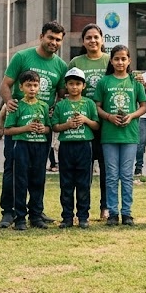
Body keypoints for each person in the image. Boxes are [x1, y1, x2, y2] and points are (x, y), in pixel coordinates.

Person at [0, 21, 67, 228]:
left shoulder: (61, 66)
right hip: (19, 125)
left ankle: (36, 211)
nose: (54, 42)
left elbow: (61, 94)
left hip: (42, 127)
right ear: (41, 37)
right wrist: (9, 102)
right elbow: (5, 85)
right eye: (50, 37)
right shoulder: (22, 57)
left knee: (38, 171)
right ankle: (9, 212)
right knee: (12, 169)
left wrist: (55, 111)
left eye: (58, 40)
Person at [94, 45, 146, 226]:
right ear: (111, 60)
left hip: (129, 135)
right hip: (109, 135)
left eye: (123, 59)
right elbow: (97, 107)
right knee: (111, 175)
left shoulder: (135, 81)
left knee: (126, 175)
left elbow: (143, 107)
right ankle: (112, 213)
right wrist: (109, 117)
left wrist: (131, 116)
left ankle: (127, 213)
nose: (120, 62)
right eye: (116, 59)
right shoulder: (104, 82)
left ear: (129, 60)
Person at [67, 23, 111, 220]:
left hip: (106, 122)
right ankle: (82, 209)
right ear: (83, 42)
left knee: (106, 167)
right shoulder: (76, 62)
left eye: (96, 37)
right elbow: (65, 89)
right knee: (83, 170)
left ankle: (105, 206)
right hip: (82, 123)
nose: (93, 41)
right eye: (88, 38)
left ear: (102, 40)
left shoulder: (110, 60)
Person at [3, 70, 52, 230]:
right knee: (20, 181)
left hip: (39, 146)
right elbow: (7, 130)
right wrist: (26, 128)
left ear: (39, 87)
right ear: (21, 87)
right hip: (22, 146)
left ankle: (36, 216)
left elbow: (49, 128)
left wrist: (43, 129)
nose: (32, 88)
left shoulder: (44, 106)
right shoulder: (16, 106)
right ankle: (20, 218)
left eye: (35, 85)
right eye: (28, 85)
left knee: (38, 180)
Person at [52, 67, 100, 228]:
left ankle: (83, 216)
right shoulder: (61, 105)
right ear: (66, 85)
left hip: (84, 146)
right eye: (71, 83)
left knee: (83, 183)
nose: (74, 87)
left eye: (78, 84)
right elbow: (55, 126)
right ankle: (67, 217)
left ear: (84, 86)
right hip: (66, 146)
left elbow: (96, 125)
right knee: (66, 183)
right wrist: (67, 125)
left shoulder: (89, 103)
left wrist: (85, 120)